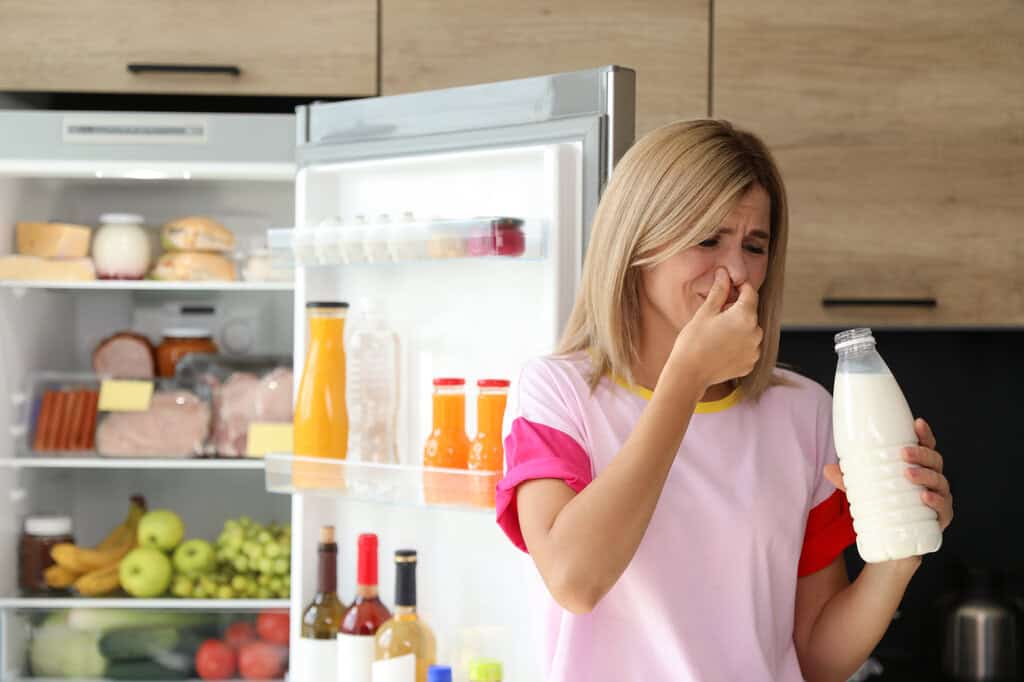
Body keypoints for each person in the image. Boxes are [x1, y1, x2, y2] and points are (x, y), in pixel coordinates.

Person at [495, 120, 954, 681]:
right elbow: (574, 580)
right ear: (638, 242)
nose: (737, 272)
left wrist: (900, 550)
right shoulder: (557, 393)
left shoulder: (804, 413)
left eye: (754, 246)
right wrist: (686, 378)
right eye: (707, 239)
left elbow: (814, 656)